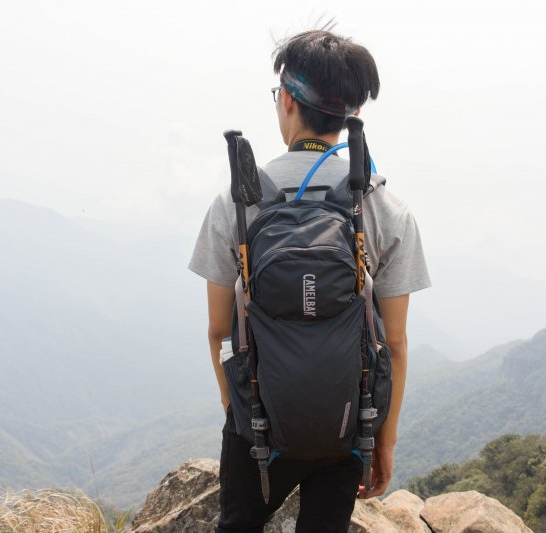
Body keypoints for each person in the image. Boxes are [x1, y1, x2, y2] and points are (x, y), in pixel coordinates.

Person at [189, 28, 431, 533]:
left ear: (289, 102)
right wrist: (381, 441)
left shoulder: (238, 202)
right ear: (349, 118)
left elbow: (219, 334)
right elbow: (397, 344)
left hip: (257, 425)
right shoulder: (384, 208)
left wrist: (244, 412)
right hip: (346, 428)